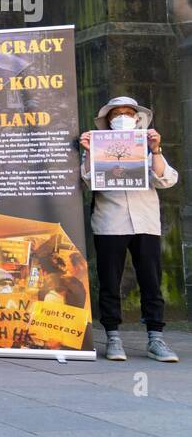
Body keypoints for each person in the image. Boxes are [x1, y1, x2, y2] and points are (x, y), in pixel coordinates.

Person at [80, 96, 180, 362]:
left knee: (151, 280)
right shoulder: (98, 146)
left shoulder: (146, 146)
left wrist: (156, 149)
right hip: (110, 222)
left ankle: (156, 339)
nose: (122, 116)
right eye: (116, 114)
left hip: (145, 222)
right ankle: (113, 337)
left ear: (137, 118)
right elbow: (89, 179)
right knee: (110, 282)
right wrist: (90, 151)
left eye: (127, 112)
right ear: (108, 120)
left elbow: (167, 179)